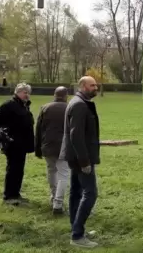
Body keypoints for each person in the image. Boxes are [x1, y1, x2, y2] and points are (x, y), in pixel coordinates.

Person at [60, 76, 100, 248]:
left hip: (75, 156)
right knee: (90, 193)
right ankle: (77, 236)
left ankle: (76, 228)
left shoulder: (79, 102)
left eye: (96, 85)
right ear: (83, 86)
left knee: (76, 191)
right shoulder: (79, 105)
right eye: (92, 85)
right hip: (80, 158)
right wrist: (84, 162)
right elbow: (76, 136)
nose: (95, 88)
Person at [35, 86, 70, 215]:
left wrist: (37, 148)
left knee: (51, 171)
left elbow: (38, 129)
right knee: (63, 173)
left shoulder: (45, 108)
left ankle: (54, 196)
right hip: (63, 146)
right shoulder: (69, 108)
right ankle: (58, 203)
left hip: (47, 145)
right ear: (66, 95)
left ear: (54, 94)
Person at [0, 83, 34, 205]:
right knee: (13, 169)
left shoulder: (24, 106)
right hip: (13, 144)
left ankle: (16, 193)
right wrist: (5, 138)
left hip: (22, 144)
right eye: (25, 92)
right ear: (17, 92)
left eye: (28, 93)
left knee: (19, 169)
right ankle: (9, 195)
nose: (27, 95)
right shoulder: (8, 106)